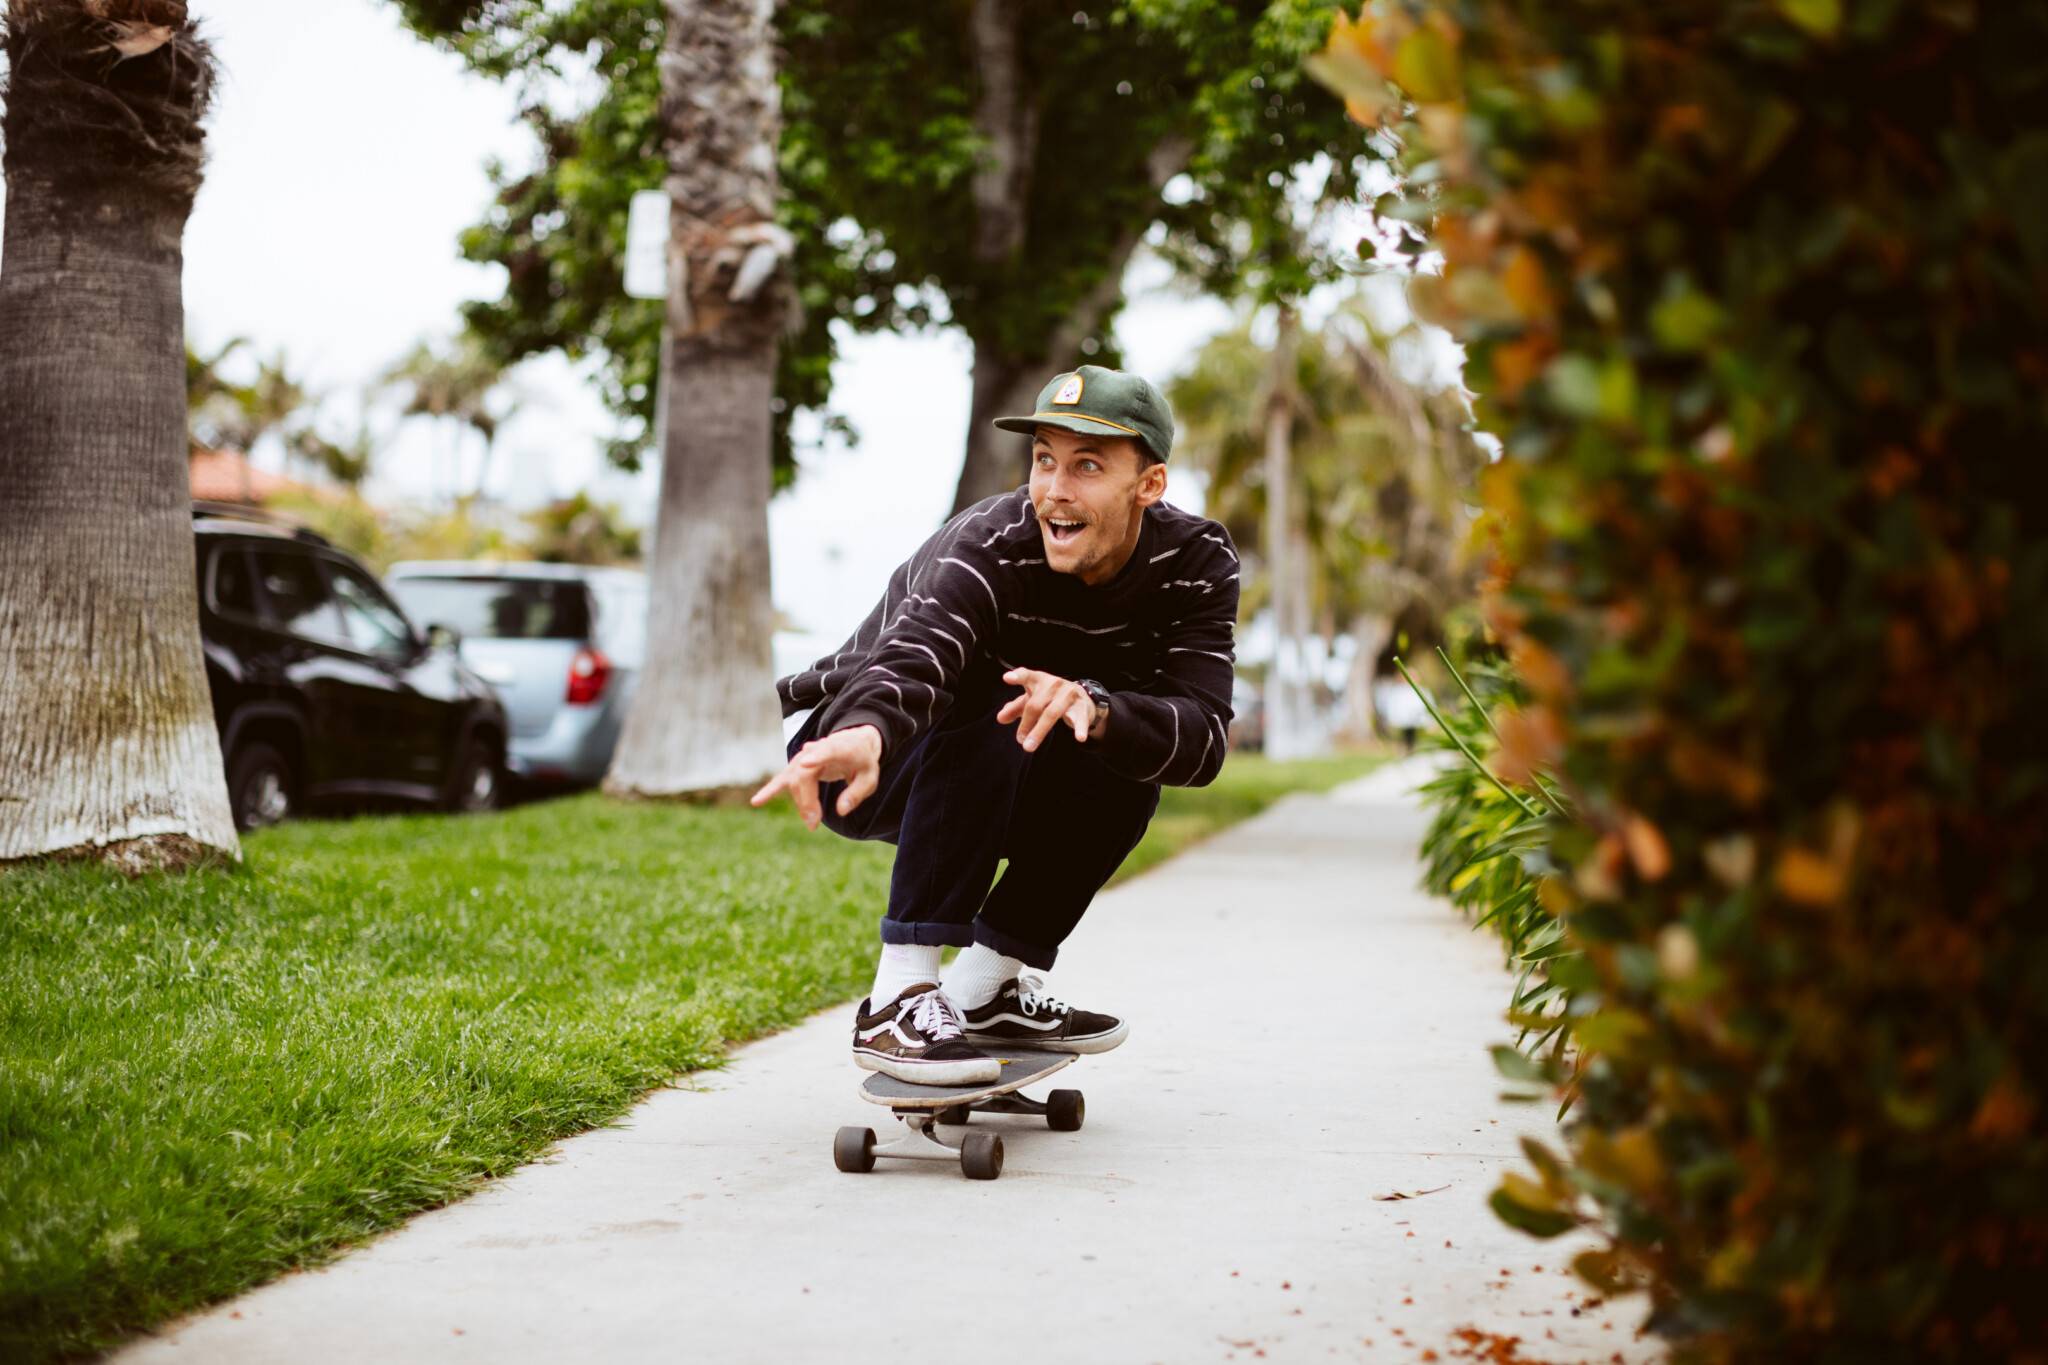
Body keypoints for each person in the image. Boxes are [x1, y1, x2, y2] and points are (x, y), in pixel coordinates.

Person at [750, 365, 1240, 1085]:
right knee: (997, 692)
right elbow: (919, 655)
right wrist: (864, 730)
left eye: (1088, 466)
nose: (1055, 490)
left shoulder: (1195, 563)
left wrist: (1096, 707)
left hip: (1002, 770)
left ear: (1150, 485)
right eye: (1044, 459)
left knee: (1125, 750)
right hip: (863, 754)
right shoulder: (990, 543)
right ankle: (901, 994)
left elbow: (1202, 739)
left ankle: (984, 991)